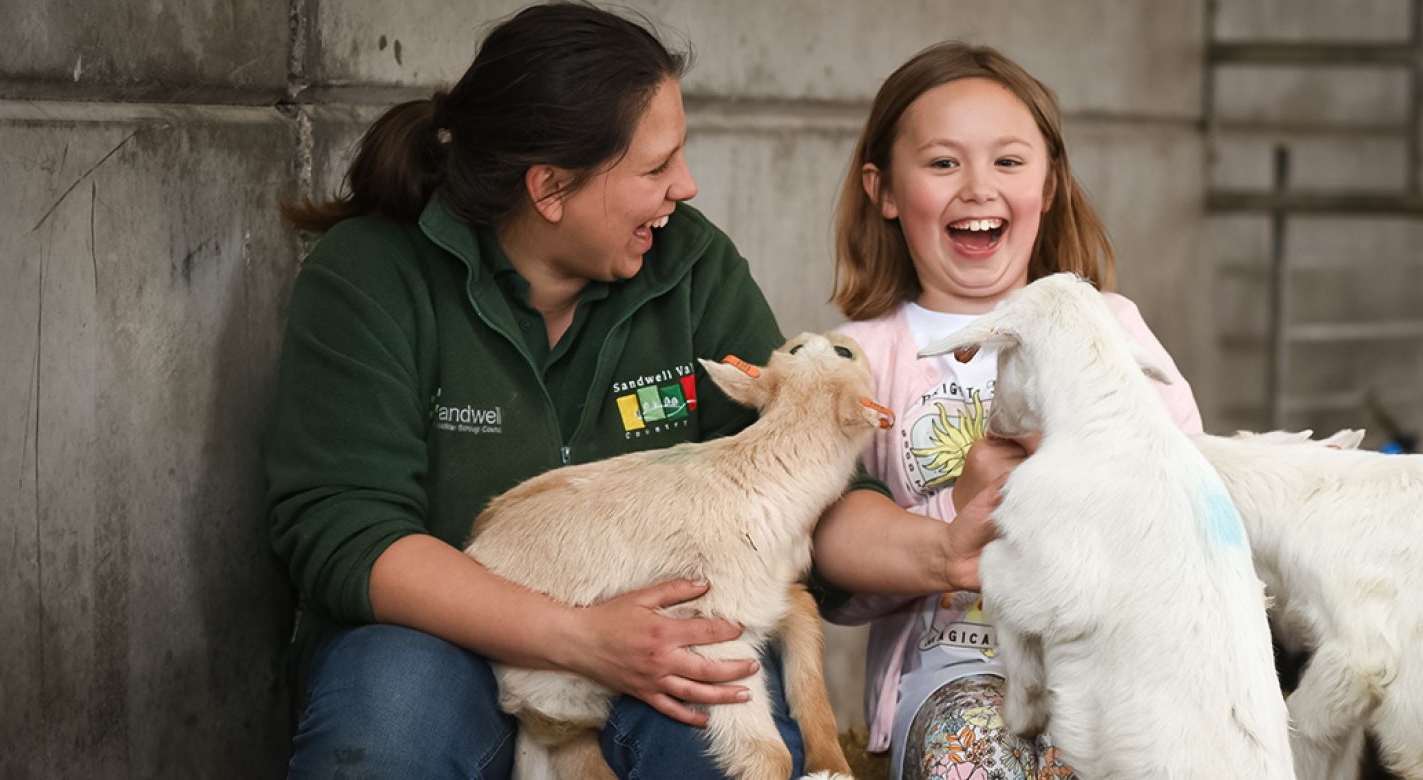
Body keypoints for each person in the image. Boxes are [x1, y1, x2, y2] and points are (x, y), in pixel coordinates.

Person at [264, 3, 810, 777]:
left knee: (726, 743)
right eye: (655, 168)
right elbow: (347, 531)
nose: (683, 187)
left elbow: (793, 456)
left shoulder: (688, 264)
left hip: (658, 633)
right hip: (431, 644)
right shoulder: (370, 276)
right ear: (550, 189)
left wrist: (943, 547)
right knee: (385, 728)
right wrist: (580, 637)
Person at [811, 42, 1205, 780]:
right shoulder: (856, 361)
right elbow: (839, 587)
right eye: (942, 163)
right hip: (955, 670)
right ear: (884, 189)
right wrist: (953, 511)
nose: (977, 187)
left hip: (1122, 663)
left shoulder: (1110, 327)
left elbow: (1194, 495)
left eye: (1008, 161)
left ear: (1050, 184)